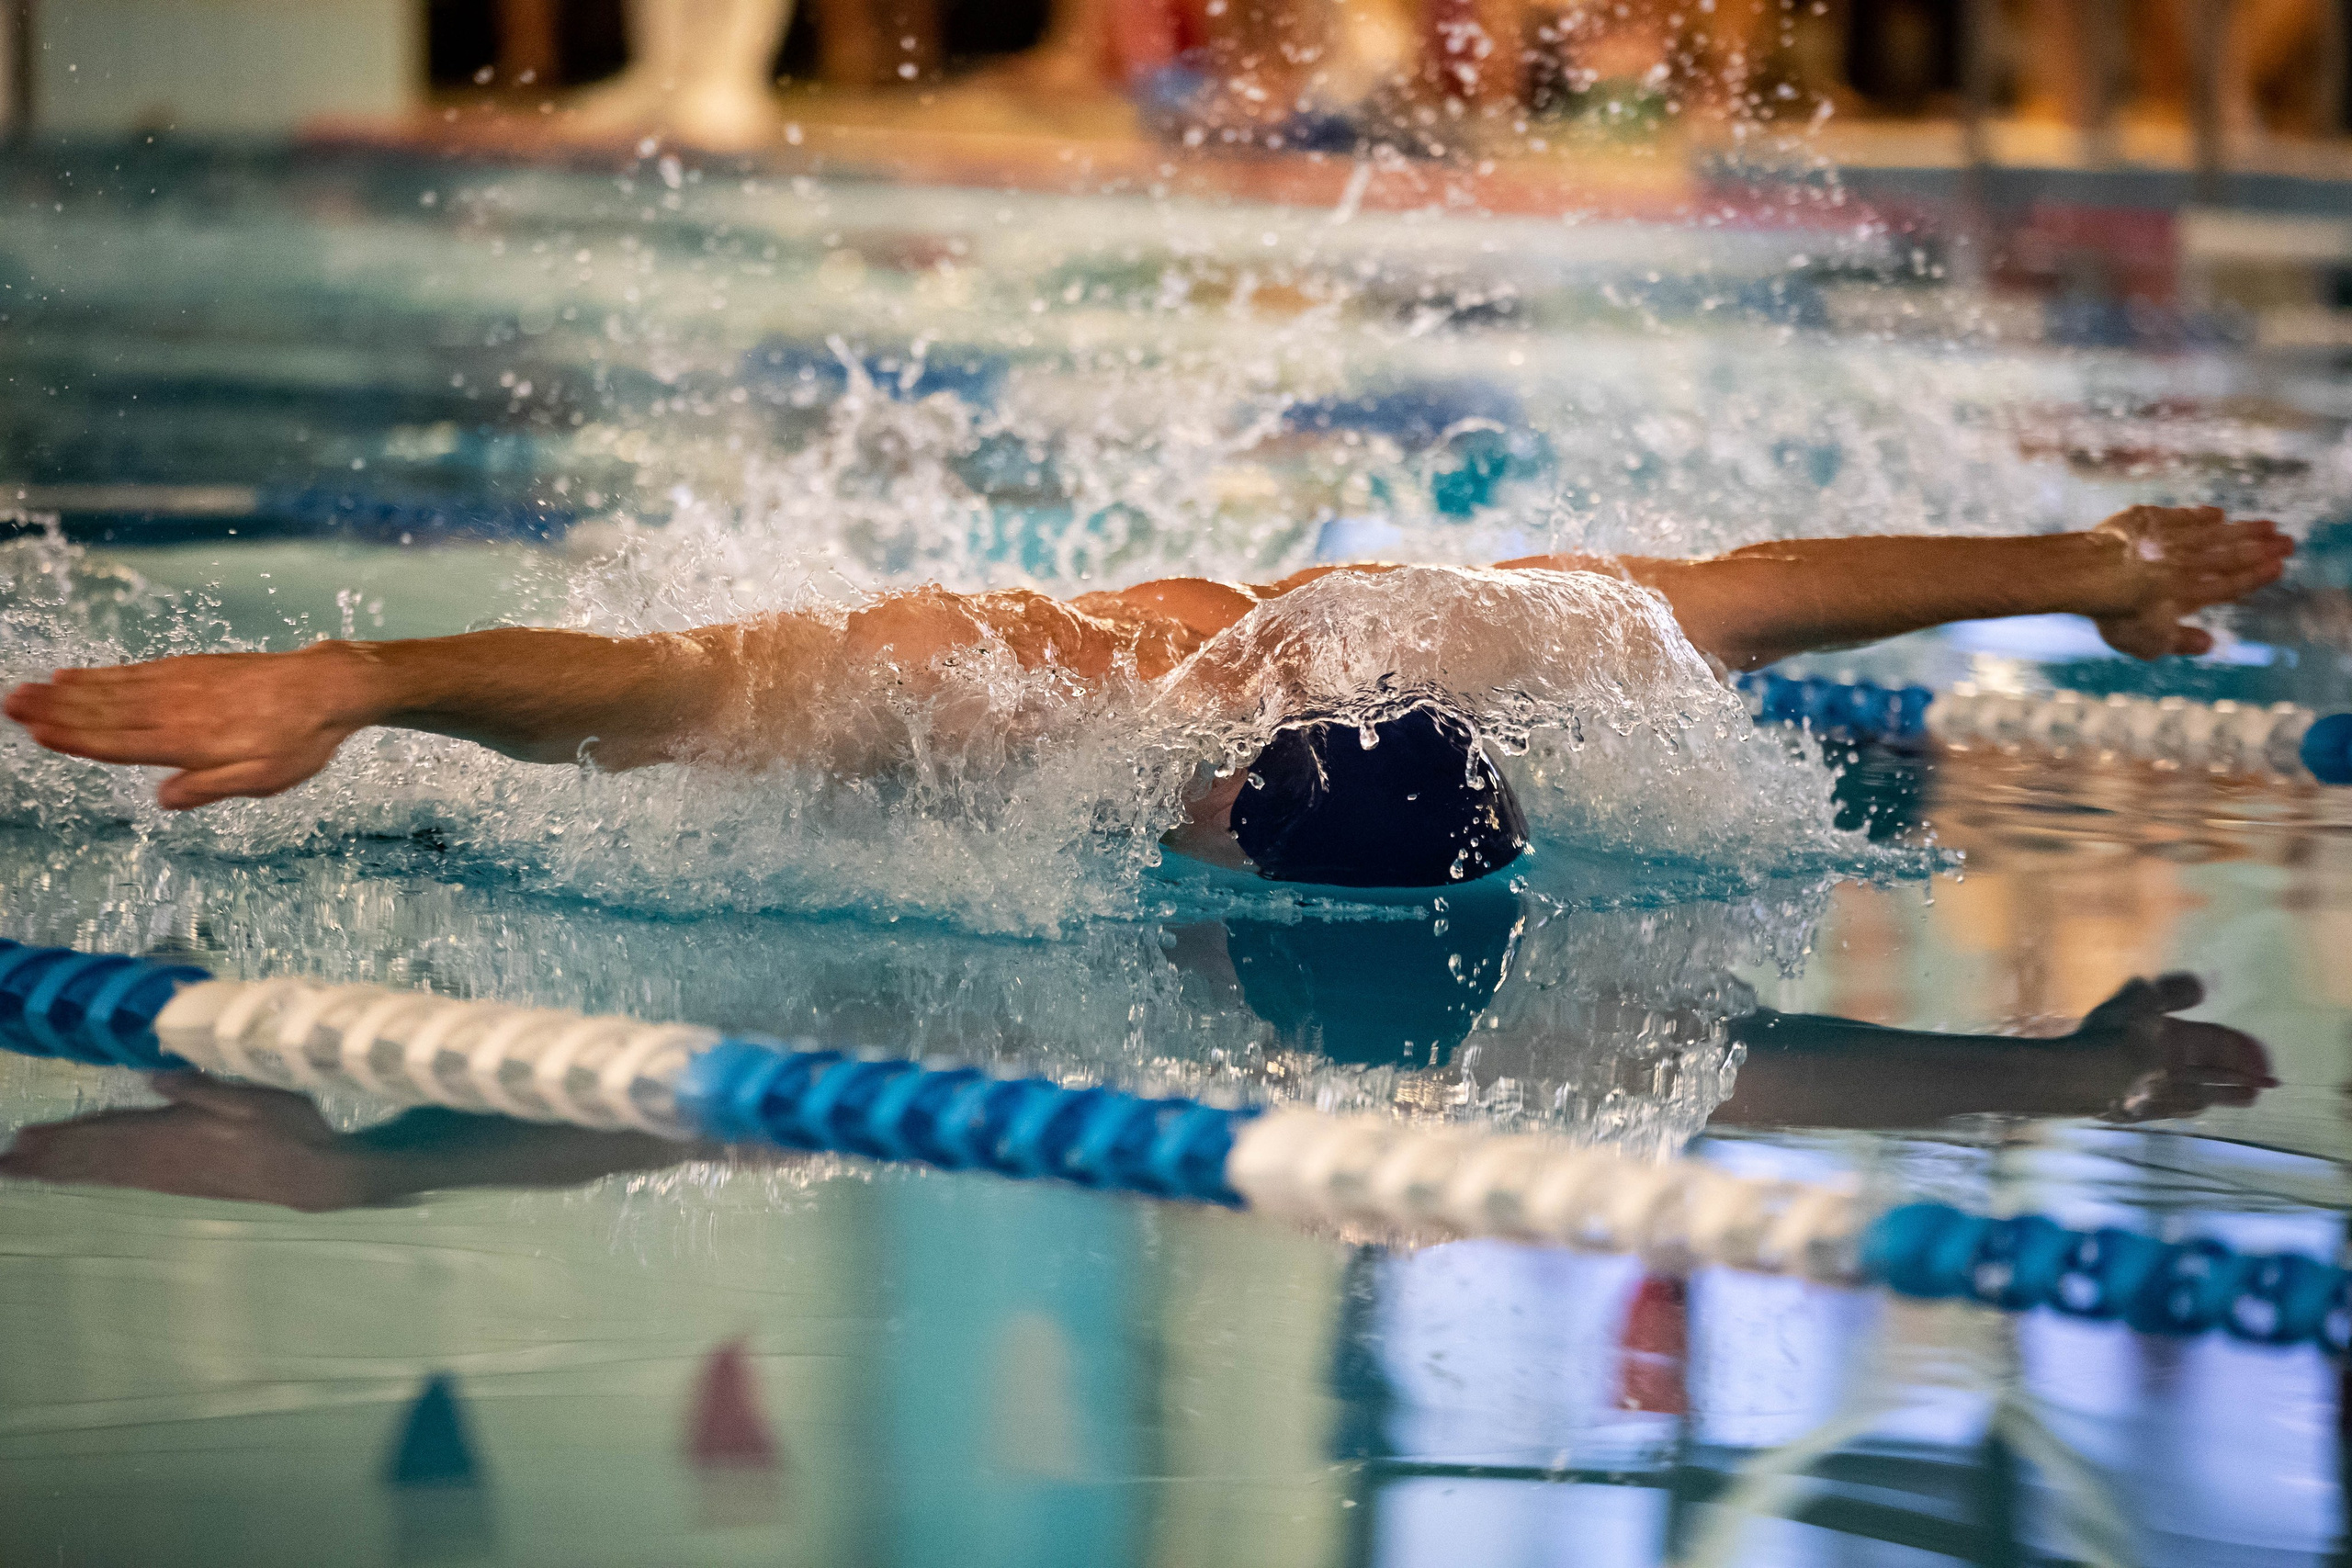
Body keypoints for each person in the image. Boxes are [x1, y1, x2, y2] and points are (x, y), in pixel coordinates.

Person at [3, 504, 2292, 888]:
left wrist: (2085, 571)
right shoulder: (1005, 693)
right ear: (1212, 798)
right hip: (885, 704)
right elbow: (662, 688)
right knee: (758, 700)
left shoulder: (1459, 644)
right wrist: (369, 680)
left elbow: (1737, 599)